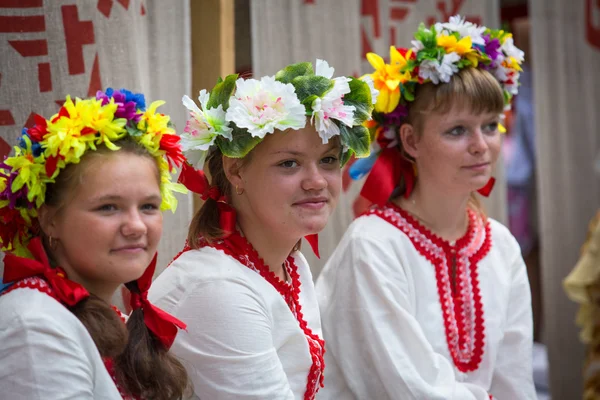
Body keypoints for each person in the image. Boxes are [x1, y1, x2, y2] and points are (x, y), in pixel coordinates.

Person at [316, 16, 537, 399]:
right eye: (457, 130)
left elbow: (515, 381)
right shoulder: (373, 244)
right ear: (411, 140)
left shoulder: (500, 245)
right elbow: (406, 386)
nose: (481, 145)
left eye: (490, 125)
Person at [148, 59, 376, 399]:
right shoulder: (219, 287)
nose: (316, 181)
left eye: (328, 160)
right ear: (236, 171)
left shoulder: (290, 264)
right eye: (289, 163)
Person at [0, 89, 188, 399]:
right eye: (108, 207)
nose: (136, 226)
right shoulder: (33, 326)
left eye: (148, 206)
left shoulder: (98, 314)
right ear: (49, 221)